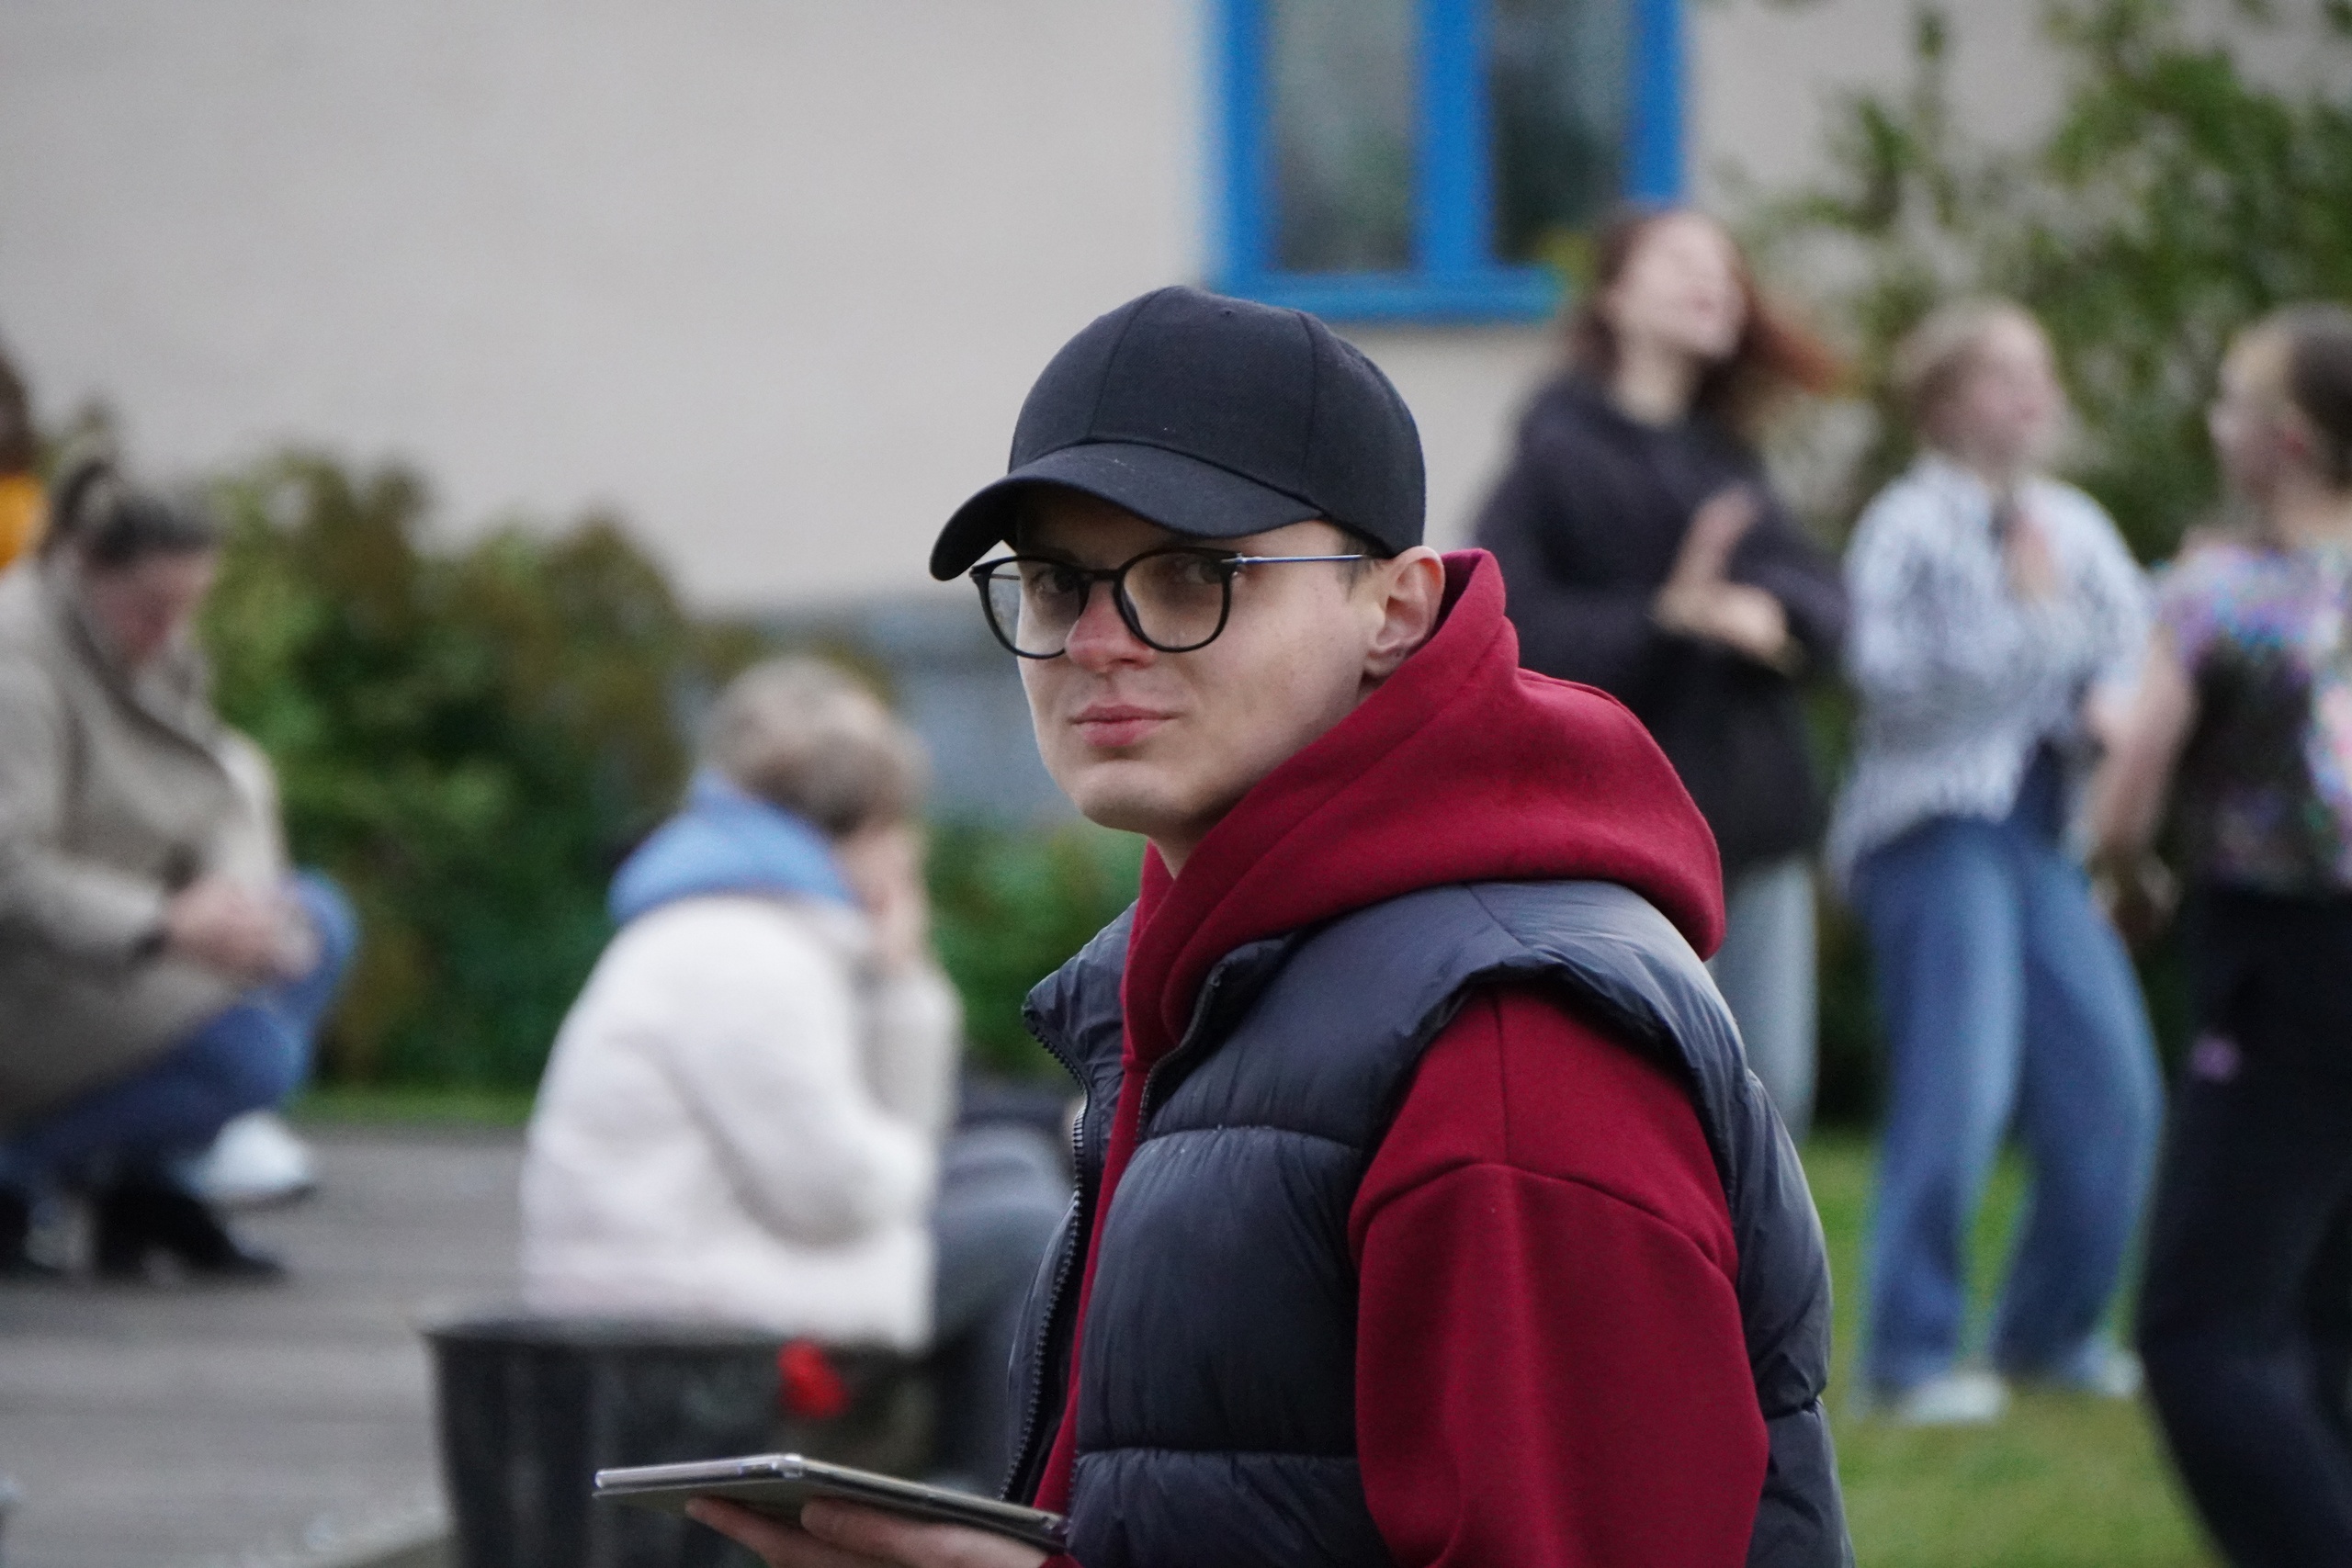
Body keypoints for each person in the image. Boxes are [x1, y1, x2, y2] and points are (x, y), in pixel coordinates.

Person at [694, 286, 1849, 1568]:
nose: (1096, 641)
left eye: (1192, 574)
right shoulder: (1221, 976)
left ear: (1395, 607)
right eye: (1057, 580)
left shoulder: (1506, 1041)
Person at [520, 657, 1069, 1486]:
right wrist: (911, 1161)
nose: (911, 850)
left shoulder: (747, 922)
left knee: (1008, 1167)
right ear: (863, 827)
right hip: (671, 1303)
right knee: (1024, 1225)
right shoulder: (747, 951)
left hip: (701, 1258)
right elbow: (834, 1194)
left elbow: (877, 1146)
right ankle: (995, 1501)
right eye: (899, 825)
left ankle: (966, 1482)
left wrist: (901, 981)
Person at [1829, 299, 2162, 1424]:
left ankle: (2049, 1335)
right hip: (1934, 833)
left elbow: (2132, 648)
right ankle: (1909, 1356)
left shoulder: (2073, 523)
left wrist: (2107, 698)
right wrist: (2030, 630)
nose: (2032, 393)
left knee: (2111, 1086)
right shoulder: (1906, 524)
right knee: (1959, 1089)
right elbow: (1883, 680)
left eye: (2040, 371)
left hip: (2045, 832)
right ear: (1942, 400)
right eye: (2003, 373)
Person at [1473, 207, 1848, 1138]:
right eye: (1680, 260)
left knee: (1775, 1100)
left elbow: (1827, 601)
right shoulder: (1554, 454)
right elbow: (1507, 629)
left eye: (1724, 265)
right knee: (1664, 1106)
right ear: (1614, 297)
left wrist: (1773, 612)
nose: (1711, 280)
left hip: (1756, 834)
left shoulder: (1728, 460)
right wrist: (1663, 620)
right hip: (1633, 841)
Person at [2090, 304, 2352, 1566]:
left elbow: (2128, 785)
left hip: (2283, 960)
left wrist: (2128, 873)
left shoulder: (2220, 594)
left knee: (2200, 1331)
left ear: (2283, 440)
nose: (2216, 423)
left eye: (2232, 402)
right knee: (2325, 1315)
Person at [0, 457, 356, 1279]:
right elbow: (10, 871)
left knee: (316, 926)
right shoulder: (19, 668)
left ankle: (144, 1185)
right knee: (249, 1054)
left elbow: (210, 788)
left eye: (189, 606)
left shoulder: (137, 638)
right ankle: (16, 1167)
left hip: (112, 934)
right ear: (83, 566)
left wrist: (239, 901)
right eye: (152, 607)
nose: (171, 630)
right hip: (32, 966)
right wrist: (163, 924)